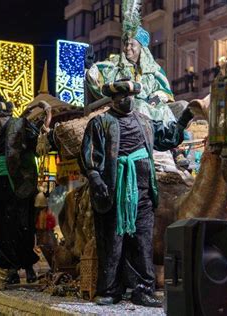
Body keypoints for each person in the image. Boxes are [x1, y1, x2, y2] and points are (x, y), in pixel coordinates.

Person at [81, 86, 194, 307]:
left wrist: (186, 117)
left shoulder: (144, 121)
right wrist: (95, 178)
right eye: (122, 96)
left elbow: (168, 136)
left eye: (131, 96)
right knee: (112, 242)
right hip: (113, 192)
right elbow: (90, 154)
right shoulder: (100, 122)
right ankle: (110, 289)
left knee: (143, 242)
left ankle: (143, 289)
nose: (127, 100)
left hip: (143, 192)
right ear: (113, 99)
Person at [0, 93, 40, 284]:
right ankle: (11, 269)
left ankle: (28, 267)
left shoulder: (21, 125)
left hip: (19, 185)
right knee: (0, 230)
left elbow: (36, 140)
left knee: (22, 226)